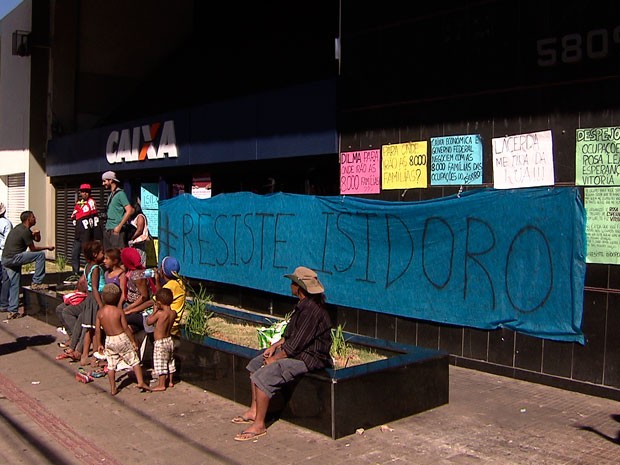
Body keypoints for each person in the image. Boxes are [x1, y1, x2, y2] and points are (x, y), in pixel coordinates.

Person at [231, 266, 332, 442]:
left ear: (299, 288)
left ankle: (260, 424)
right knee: (256, 364)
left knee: (264, 374)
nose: (290, 285)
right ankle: (254, 410)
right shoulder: (301, 307)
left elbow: (296, 345)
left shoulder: (312, 311)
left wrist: (275, 358)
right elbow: (289, 336)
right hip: (297, 352)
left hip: (309, 358)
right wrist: (274, 347)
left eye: (293, 283)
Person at [94, 283, 151, 395]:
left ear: (103, 298)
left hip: (109, 340)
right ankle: (140, 382)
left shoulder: (100, 313)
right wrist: (133, 341)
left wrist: (99, 343)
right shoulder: (119, 311)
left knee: (111, 365)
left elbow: (97, 330)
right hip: (121, 338)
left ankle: (113, 388)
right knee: (134, 361)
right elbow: (125, 327)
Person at [57, 240, 105, 365]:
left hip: (89, 299)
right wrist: (100, 304)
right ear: (95, 254)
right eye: (101, 253)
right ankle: (94, 357)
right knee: (94, 329)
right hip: (95, 298)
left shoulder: (87, 267)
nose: (104, 255)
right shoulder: (96, 269)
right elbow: (94, 287)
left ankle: (83, 355)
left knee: (88, 327)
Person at [1, 211, 55, 319]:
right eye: (33, 217)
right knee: (40, 255)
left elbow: (36, 239)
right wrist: (47, 248)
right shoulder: (24, 231)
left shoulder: (21, 229)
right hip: (13, 258)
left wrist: (37, 234)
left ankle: (13, 311)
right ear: (28, 219)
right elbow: (33, 249)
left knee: (15, 283)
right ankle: (37, 282)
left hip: (6, 259)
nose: (35, 218)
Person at [146, 288, 177, 391]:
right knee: (170, 361)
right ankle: (171, 381)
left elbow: (149, 322)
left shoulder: (160, 314)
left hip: (160, 343)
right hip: (169, 340)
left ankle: (161, 384)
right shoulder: (173, 313)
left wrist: (154, 312)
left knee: (161, 363)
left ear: (159, 302)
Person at [69, 184, 100, 276]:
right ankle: (75, 273)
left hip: (87, 234)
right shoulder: (79, 202)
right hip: (78, 233)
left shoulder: (91, 202)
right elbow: (74, 215)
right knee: (75, 254)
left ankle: (89, 274)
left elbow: (94, 219)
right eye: (82, 191)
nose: (84, 193)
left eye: (86, 191)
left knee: (87, 255)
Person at [101, 171, 134, 250]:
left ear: (111, 180)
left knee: (117, 256)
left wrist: (119, 227)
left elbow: (130, 210)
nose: (103, 184)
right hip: (108, 229)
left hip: (116, 230)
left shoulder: (120, 194)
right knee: (109, 255)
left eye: (104, 181)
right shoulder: (111, 195)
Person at [156, 256, 186, 336]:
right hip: (175, 323)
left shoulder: (169, 287)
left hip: (167, 324)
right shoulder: (180, 282)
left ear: (162, 271)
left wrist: (157, 280)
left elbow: (157, 299)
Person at [0, 202, 13, 312]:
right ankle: (4, 303)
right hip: (3, 254)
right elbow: (7, 241)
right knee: (6, 279)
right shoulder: (6, 223)